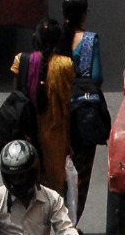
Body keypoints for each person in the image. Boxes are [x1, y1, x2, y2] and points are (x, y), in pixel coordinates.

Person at [9, 18, 75, 198]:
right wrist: (69, 141)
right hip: (56, 138)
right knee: (56, 191)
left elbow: (15, 99)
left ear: (35, 38)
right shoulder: (66, 65)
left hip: (27, 135)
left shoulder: (20, 60)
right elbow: (67, 105)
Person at [0, 139, 78, 235]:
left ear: (32, 174)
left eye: (21, 176)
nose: (16, 182)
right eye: (12, 177)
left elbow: (65, 229)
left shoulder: (52, 199)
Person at [63, 0, 102, 222]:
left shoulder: (57, 38)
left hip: (59, 118)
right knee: (80, 176)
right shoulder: (90, 40)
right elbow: (97, 77)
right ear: (84, 15)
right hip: (83, 118)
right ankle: (72, 221)